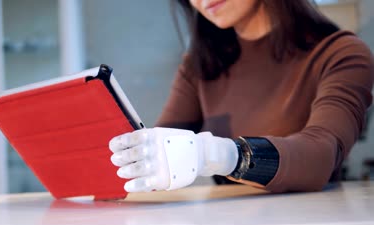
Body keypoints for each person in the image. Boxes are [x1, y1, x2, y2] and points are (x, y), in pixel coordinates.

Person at [108, 0, 374, 193]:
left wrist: (222, 154)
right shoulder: (201, 66)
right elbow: (158, 145)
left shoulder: (341, 54)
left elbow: (321, 157)